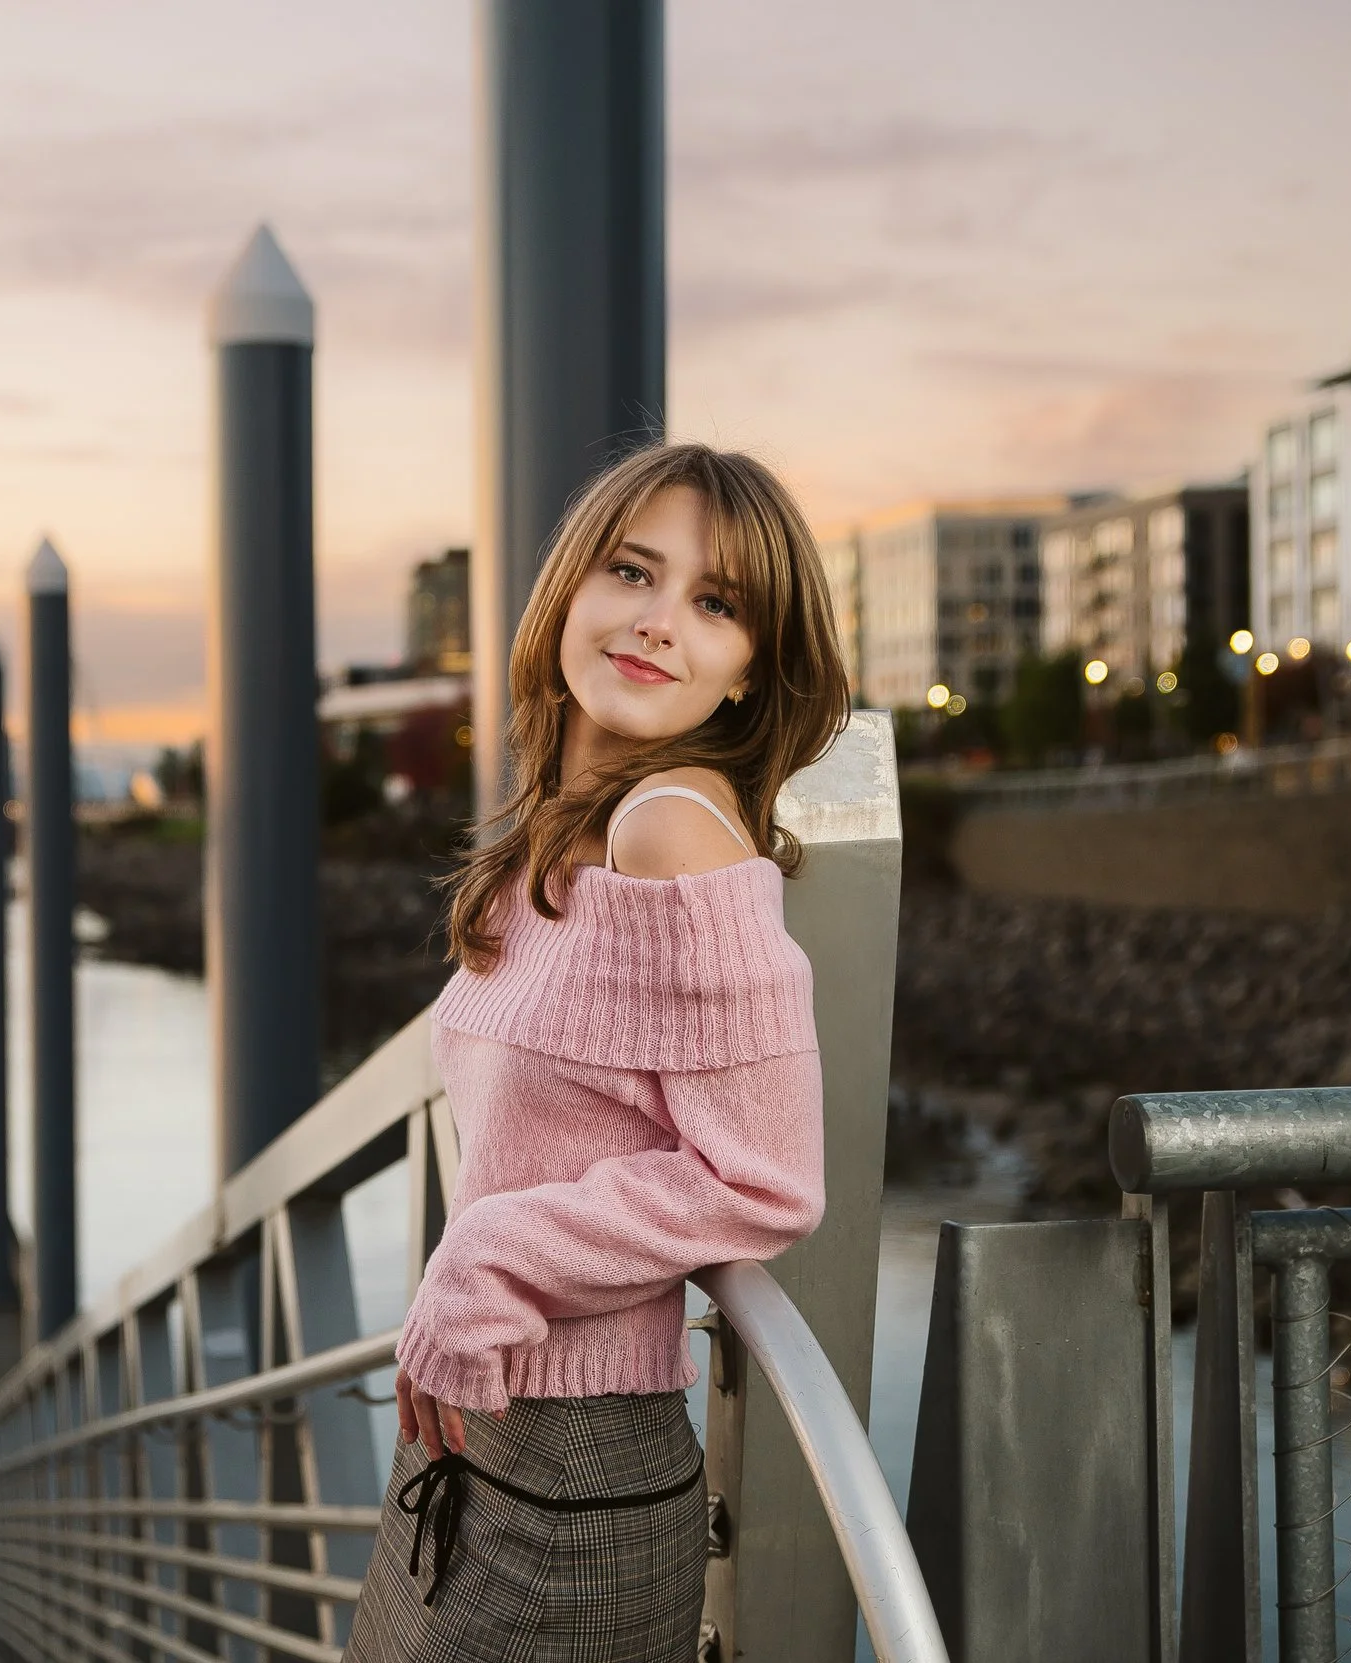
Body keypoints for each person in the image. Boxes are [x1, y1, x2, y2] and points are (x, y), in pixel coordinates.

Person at [340, 440, 848, 1662]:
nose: (658, 621)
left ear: (745, 677)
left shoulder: (673, 831)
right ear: (570, 587)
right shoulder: (557, 842)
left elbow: (766, 1176)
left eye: (715, 605)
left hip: (574, 1476)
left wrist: (488, 1257)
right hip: (473, 1426)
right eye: (633, 571)